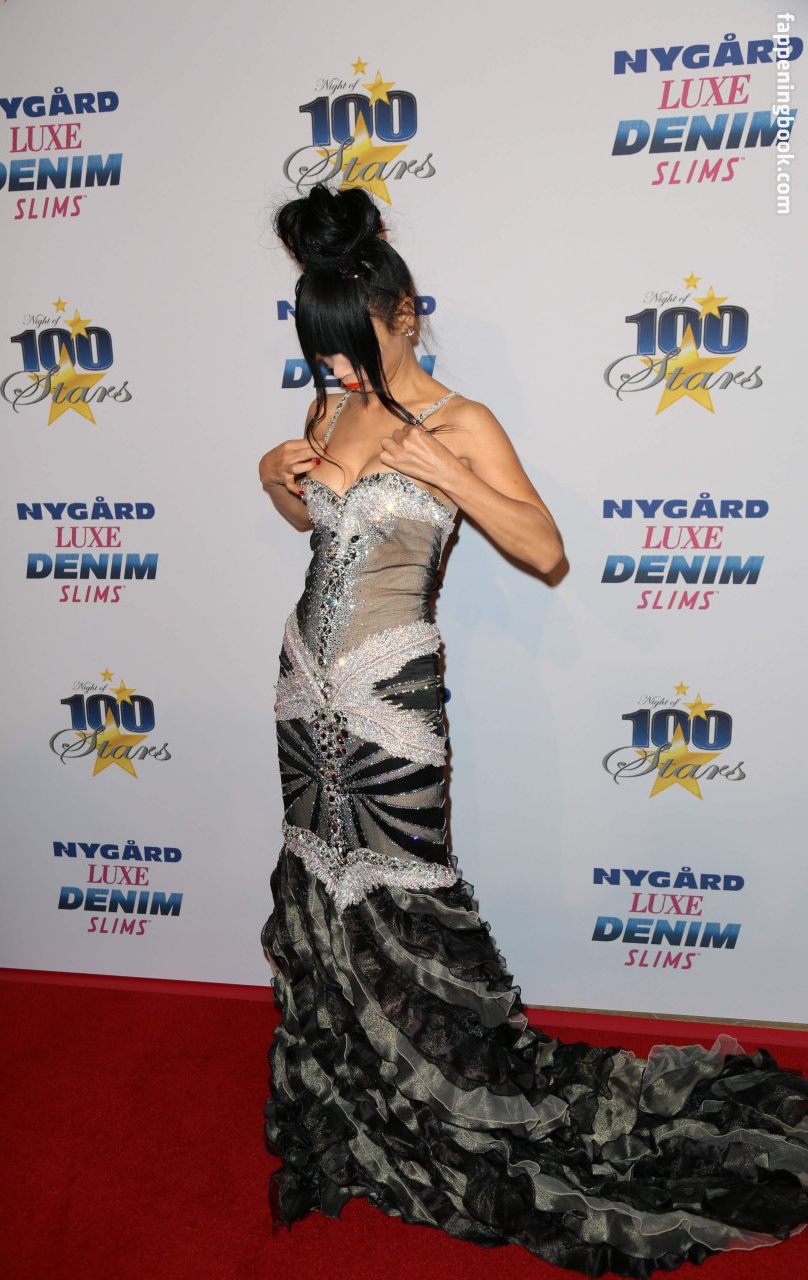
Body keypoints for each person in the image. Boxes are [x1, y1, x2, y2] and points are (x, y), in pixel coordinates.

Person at [258, 184, 808, 1277]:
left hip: (387, 696)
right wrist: (278, 477)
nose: (339, 373)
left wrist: (446, 472)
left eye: (353, 349)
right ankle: (359, 1098)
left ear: (405, 314)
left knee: (406, 892)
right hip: (298, 690)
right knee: (320, 881)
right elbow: (315, 525)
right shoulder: (329, 409)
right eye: (322, 357)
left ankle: (454, 1100)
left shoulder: (462, 420)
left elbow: (545, 549)